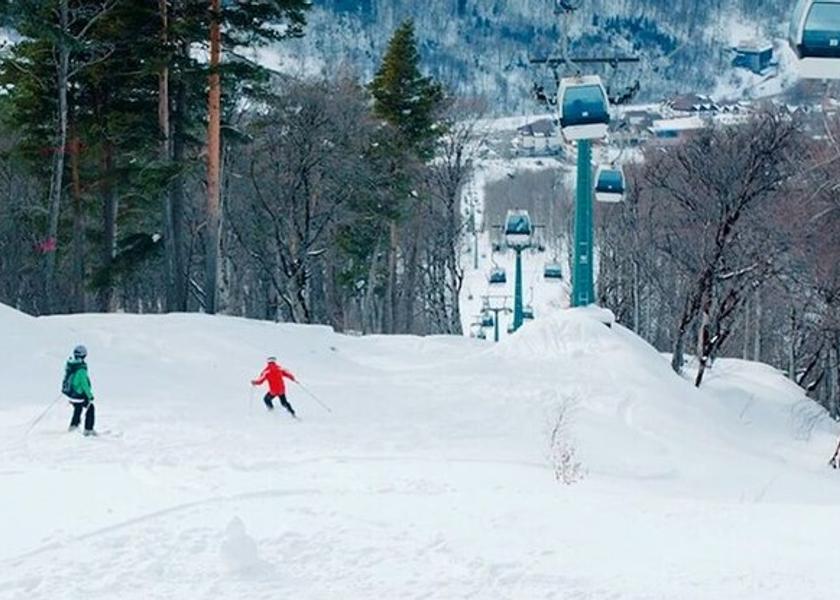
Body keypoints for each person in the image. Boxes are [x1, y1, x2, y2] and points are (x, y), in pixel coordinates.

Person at [63, 345, 96, 436]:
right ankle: (88, 429)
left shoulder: (71, 365)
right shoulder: (81, 369)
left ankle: (73, 426)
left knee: (78, 408)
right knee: (90, 408)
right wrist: (90, 396)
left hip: (71, 394)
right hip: (79, 394)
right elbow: (84, 384)